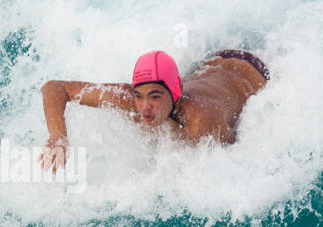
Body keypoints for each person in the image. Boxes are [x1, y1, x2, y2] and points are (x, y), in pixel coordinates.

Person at [37, 49, 270, 172]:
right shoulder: (131, 99)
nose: (145, 106)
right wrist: (58, 136)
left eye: (155, 97)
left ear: (175, 91)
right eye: (139, 96)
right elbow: (54, 88)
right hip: (211, 61)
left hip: (253, 72)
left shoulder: (201, 120)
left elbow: (233, 157)